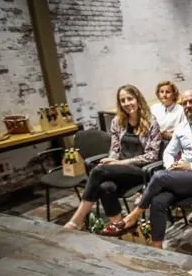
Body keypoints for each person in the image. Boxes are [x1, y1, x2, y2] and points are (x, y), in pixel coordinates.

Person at [101, 89, 192, 248]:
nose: (188, 106)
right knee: (157, 201)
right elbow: (169, 152)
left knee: (160, 176)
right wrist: (171, 166)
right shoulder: (182, 128)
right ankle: (157, 247)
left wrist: (190, 166)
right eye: (185, 103)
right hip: (180, 178)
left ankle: (132, 217)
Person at [63, 85, 161, 230]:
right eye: (123, 100)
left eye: (130, 98)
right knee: (105, 187)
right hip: (121, 169)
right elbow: (114, 149)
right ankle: (118, 226)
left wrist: (120, 163)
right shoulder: (117, 121)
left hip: (141, 171)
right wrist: (112, 160)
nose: (127, 103)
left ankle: (76, 220)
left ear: (138, 99)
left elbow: (152, 156)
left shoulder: (151, 122)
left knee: (98, 171)